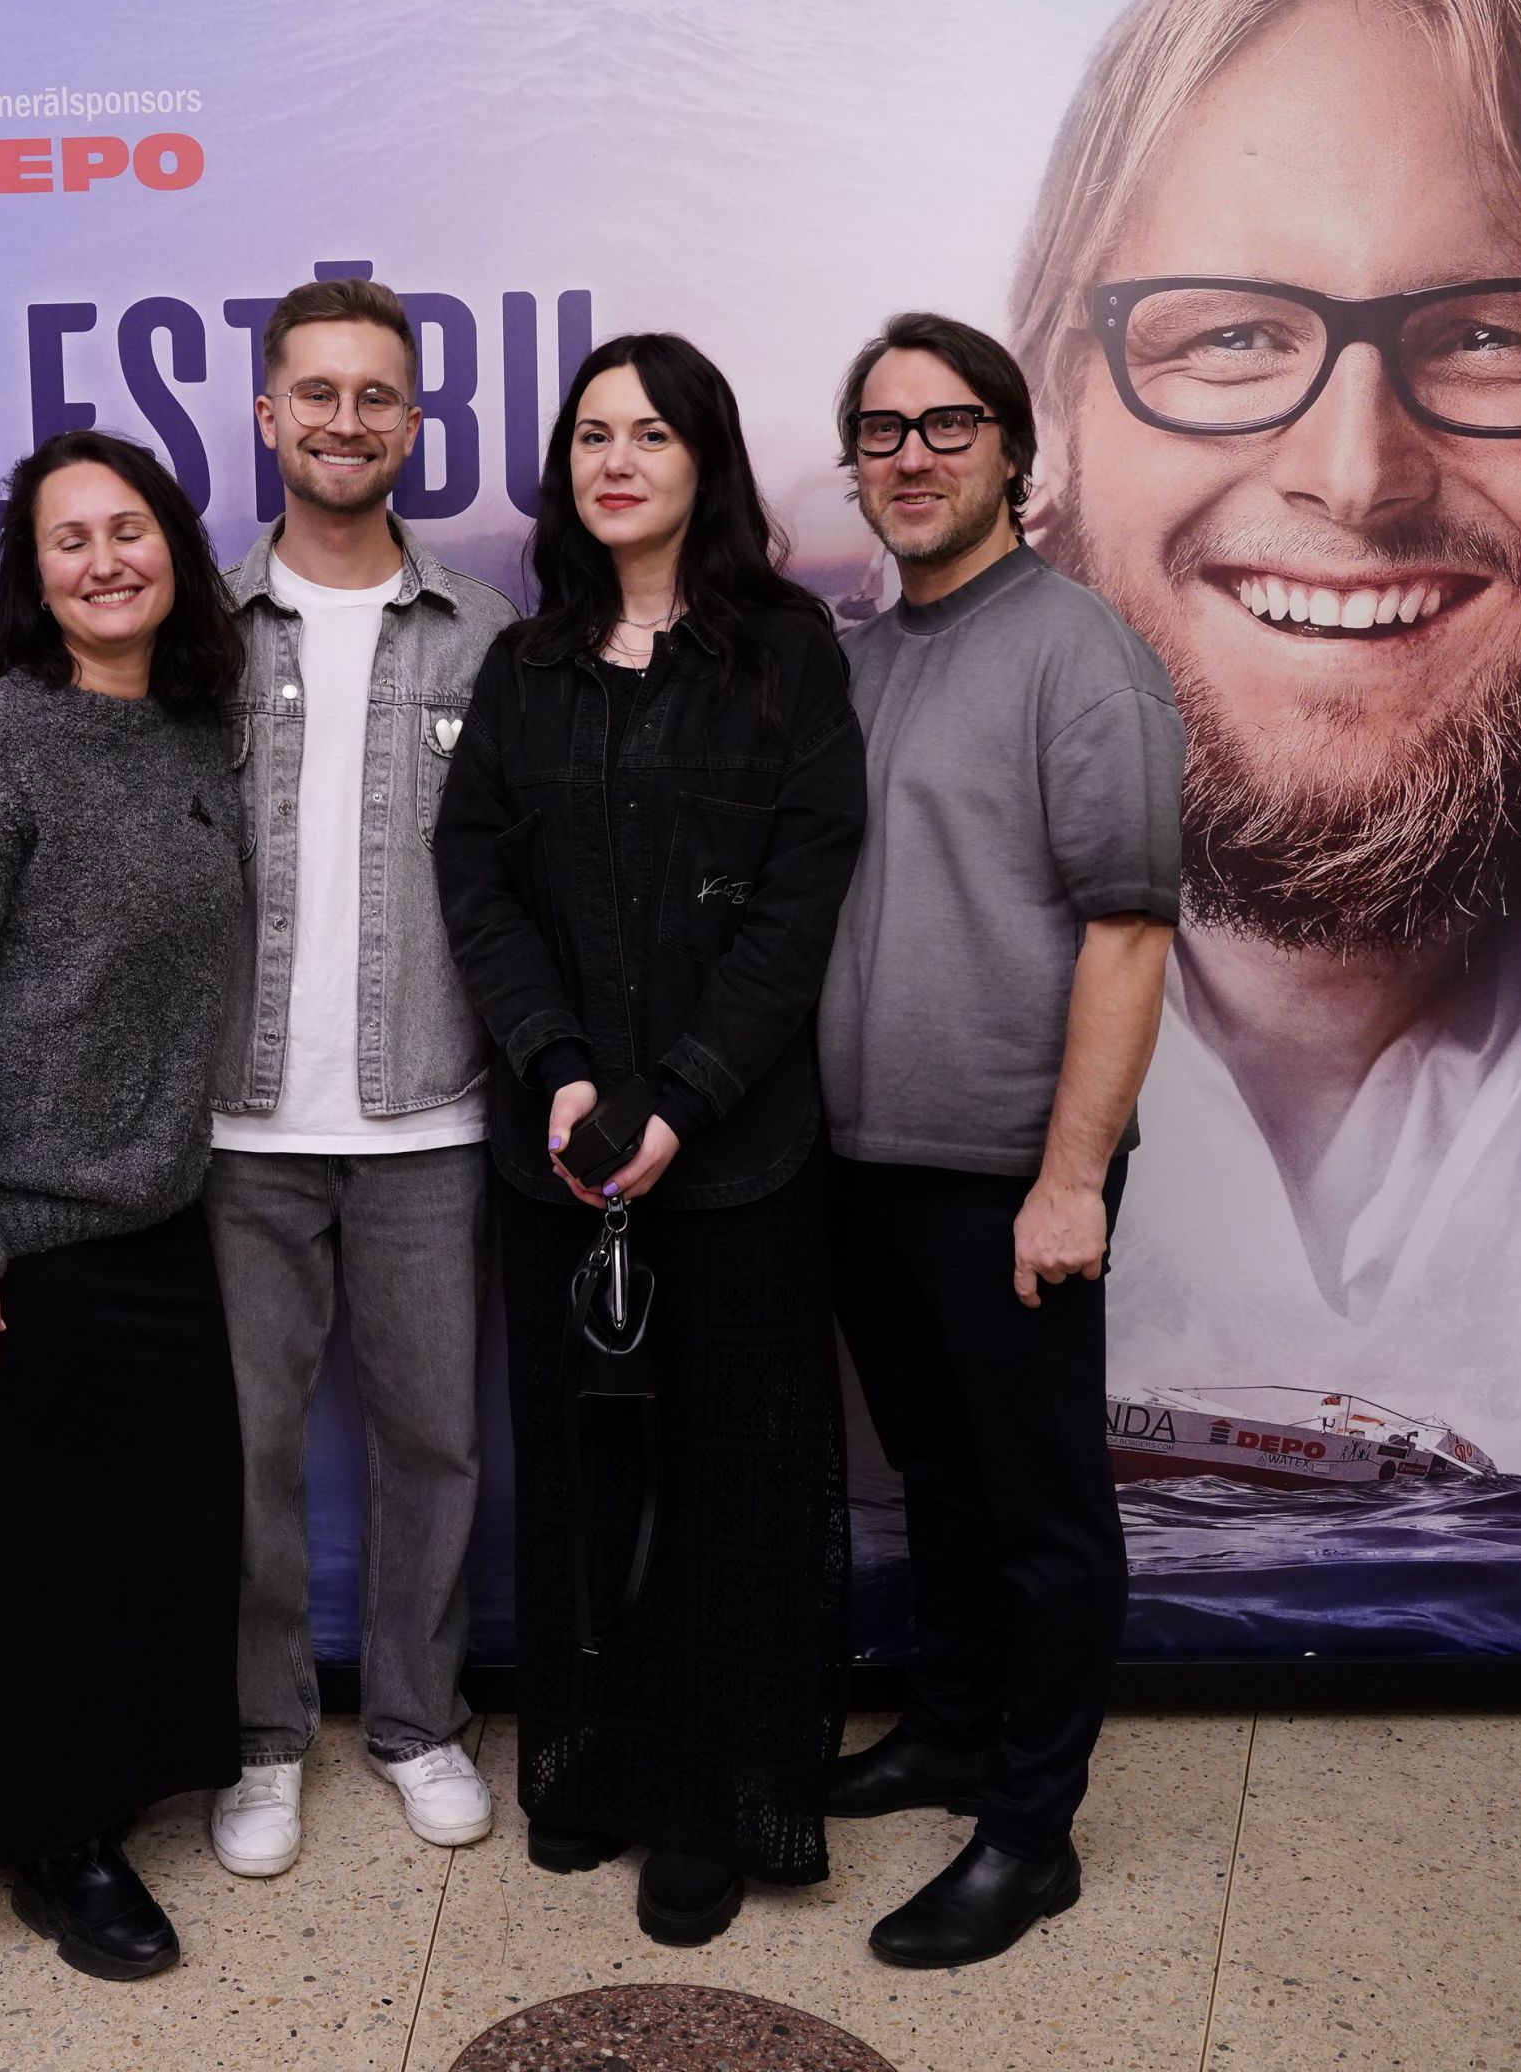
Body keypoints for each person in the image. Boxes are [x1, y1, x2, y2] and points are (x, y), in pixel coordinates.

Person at [1004, 0, 1521, 1477]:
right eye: (1229, 332)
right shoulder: (869, 841)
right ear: (1058, 409)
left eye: (1493, 334)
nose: (1352, 476)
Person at [0, 278, 517, 1877]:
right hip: (229, 1128)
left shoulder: (486, 634)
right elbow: (61, 762)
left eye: (375, 394)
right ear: (265, 416)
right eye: (312, 392)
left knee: (436, 1441)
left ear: (413, 420)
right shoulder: (191, 646)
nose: (342, 419)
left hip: (427, 1111)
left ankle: (416, 1721)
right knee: (237, 1459)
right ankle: (259, 1738)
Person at [432, 332, 865, 1947]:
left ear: (706, 465)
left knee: (730, 1480)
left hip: (736, 1161)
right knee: (586, 1469)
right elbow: (476, 874)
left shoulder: (786, 656)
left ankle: (713, 1800)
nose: (617, 460)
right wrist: (554, 1068)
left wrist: (675, 1098)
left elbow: (799, 905)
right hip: (559, 1162)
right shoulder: (526, 667)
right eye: (592, 435)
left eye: (653, 434)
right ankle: (590, 1767)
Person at [815, 314, 1183, 1967]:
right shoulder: (868, 659)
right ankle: (954, 1731)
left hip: (1005, 1178)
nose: (911, 456)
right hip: (866, 1165)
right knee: (942, 1489)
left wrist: (1068, 1180)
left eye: (946, 426)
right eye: (881, 433)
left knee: (1041, 1515)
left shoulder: (1078, 652)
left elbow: (1128, 930)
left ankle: (1030, 1834)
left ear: (1014, 455)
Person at [0, 430, 249, 1983]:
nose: (106, 561)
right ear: (32, 580)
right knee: (21, 1564)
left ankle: (118, 1789)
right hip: (15, 1233)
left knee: (144, 1545)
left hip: (157, 1218)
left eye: (130, 529)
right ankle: (56, 1845)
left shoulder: (191, 735)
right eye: (67, 542)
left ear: (174, 546)